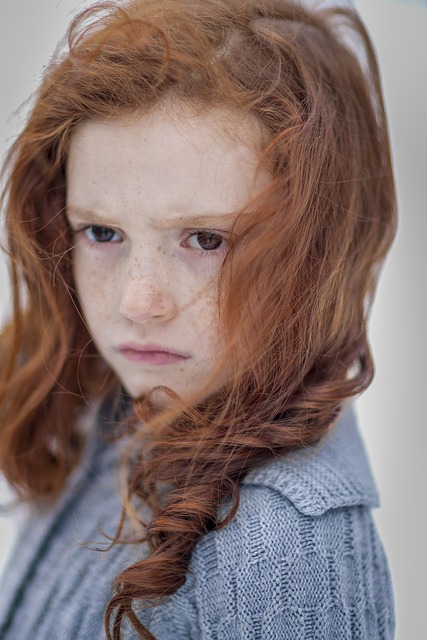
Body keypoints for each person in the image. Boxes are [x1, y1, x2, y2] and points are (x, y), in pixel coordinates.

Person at [0, 0, 396, 638]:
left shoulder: (279, 549)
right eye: (102, 231)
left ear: (318, 253)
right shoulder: (112, 411)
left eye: (207, 241)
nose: (137, 302)